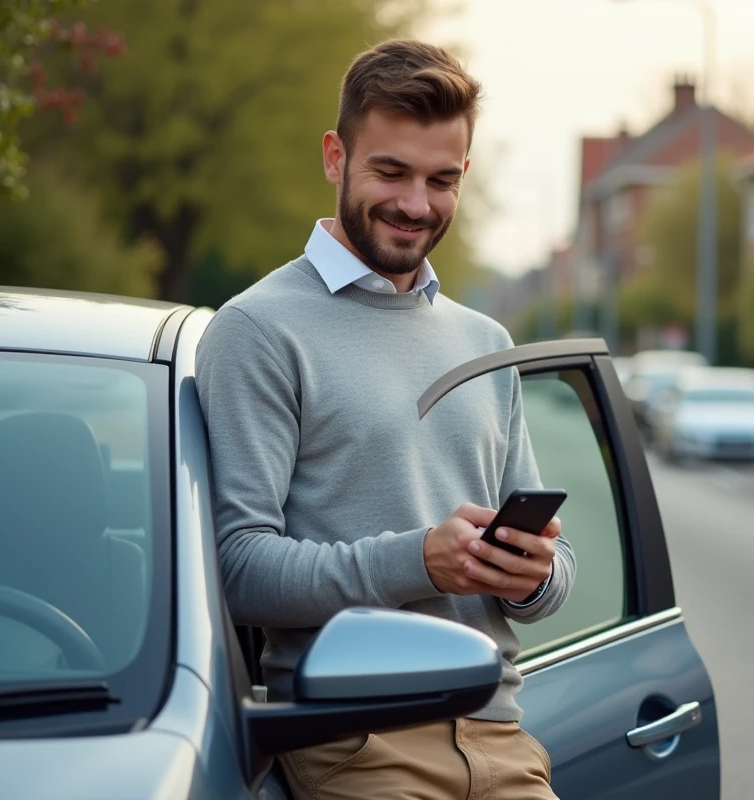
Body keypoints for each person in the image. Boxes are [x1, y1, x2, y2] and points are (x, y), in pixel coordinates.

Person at [195, 38, 575, 800]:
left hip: (500, 736)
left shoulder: (485, 341)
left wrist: (532, 578)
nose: (415, 205)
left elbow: (552, 583)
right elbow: (237, 570)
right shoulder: (258, 330)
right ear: (336, 157)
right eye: (390, 172)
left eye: (441, 180)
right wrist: (417, 561)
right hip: (354, 740)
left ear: (463, 175)